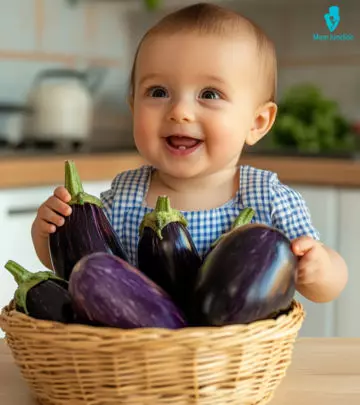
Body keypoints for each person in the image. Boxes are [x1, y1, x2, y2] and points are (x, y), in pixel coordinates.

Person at [31, 3, 348, 304]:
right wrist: (48, 235)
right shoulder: (123, 197)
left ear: (257, 122)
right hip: (142, 352)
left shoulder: (267, 199)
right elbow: (81, 269)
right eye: (158, 92)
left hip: (234, 354)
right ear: (133, 108)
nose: (180, 111)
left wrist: (319, 271)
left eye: (209, 94)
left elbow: (330, 281)